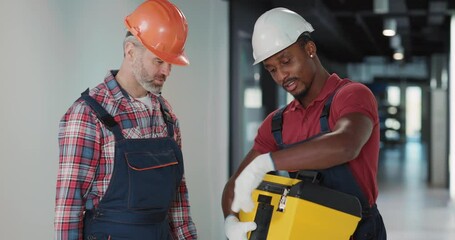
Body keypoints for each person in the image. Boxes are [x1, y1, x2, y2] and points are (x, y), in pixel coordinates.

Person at [222, 7, 386, 240]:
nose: (281, 76)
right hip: (303, 230)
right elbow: (234, 187)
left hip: (357, 231)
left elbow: (346, 144)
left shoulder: (351, 95)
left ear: (309, 49)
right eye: (272, 70)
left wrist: (267, 162)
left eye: (286, 62)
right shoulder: (277, 123)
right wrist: (230, 219)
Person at [54, 1, 198, 239]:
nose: (166, 72)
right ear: (130, 51)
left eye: (170, 63)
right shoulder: (88, 114)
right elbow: (68, 210)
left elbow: (179, 204)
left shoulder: (167, 115)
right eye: (158, 61)